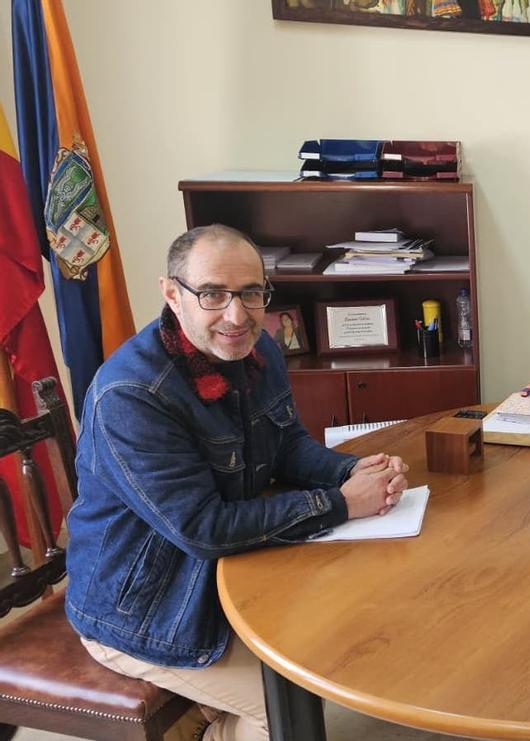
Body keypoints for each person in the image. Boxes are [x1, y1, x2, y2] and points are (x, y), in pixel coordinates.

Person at [66, 224, 410, 740]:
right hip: (147, 608)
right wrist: (339, 504)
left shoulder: (258, 348)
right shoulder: (132, 395)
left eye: (251, 292)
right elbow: (203, 530)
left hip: (228, 575)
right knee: (303, 706)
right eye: (212, 294)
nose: (236, 314)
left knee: (354, 643)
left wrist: (351, 471)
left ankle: (212, 712)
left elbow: (287, 444)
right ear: (172, 294)